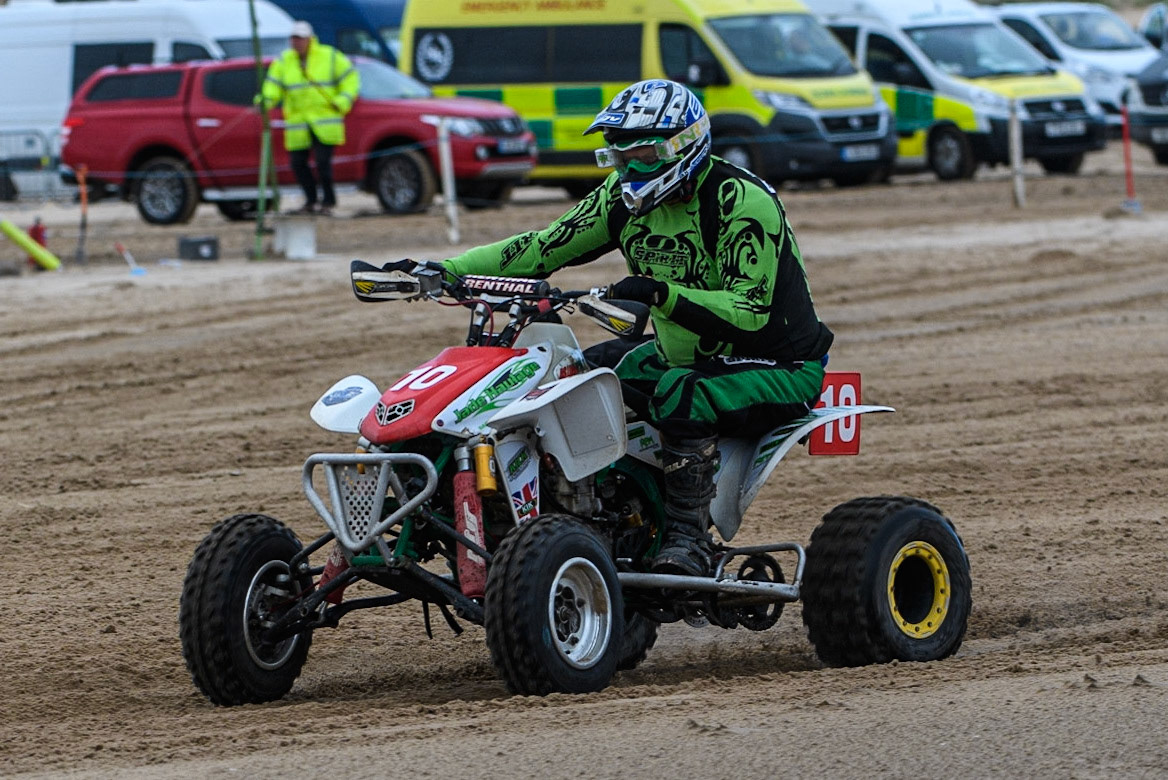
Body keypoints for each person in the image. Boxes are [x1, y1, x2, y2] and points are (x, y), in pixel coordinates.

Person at [394, 80, 834, 577]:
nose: (630, 170)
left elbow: (750, 307)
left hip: (780, 364)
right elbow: (543, 248)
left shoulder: (740, 201)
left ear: (684, 145)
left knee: (681, 392)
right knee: (574, 379)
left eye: (643, 155)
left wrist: (661, 293)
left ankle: (689, 539)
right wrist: (450, 269)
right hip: (681, 354)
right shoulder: (620, 200)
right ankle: (596, 520)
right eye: (618, 158)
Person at [261, 20, 359, 216]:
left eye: (300, 39)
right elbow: (273, 86)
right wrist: (265, 101)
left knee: (323, 163)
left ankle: (328, 201)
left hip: (325, 121)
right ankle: (311, 200)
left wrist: (342, 101)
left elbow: (350, 79)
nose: (296, 43)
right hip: (298, 124)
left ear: (310, 39)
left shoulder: (330, 56)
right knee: (297, 163)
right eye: (293, 39)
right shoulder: (284, 61)